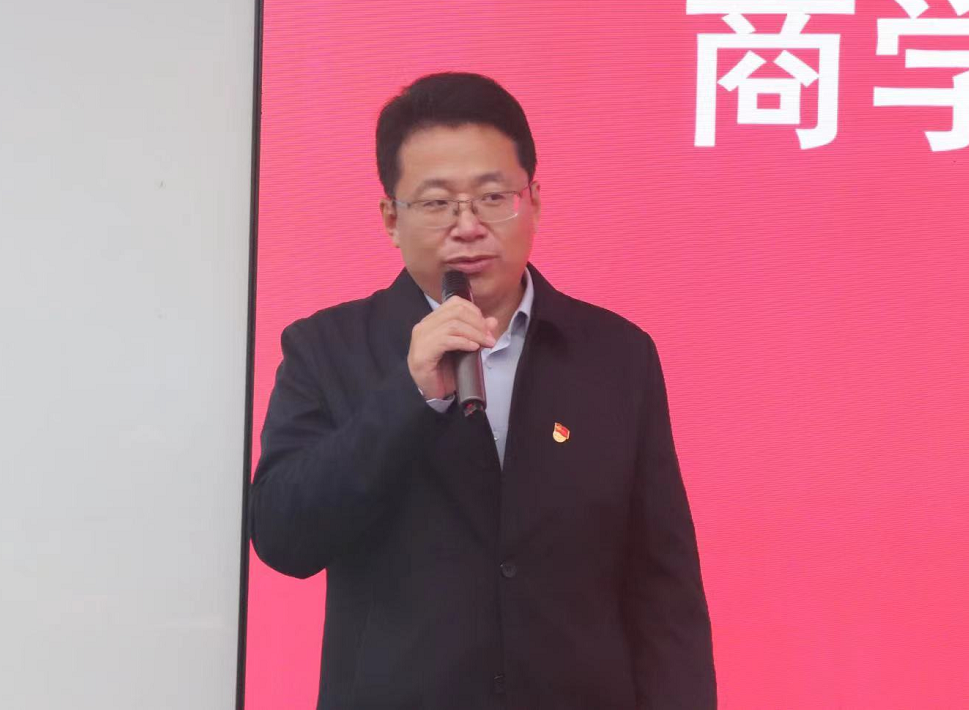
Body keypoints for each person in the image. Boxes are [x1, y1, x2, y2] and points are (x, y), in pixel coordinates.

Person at [250, 72, 715, 708]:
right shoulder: (326, 348)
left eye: (493, 197)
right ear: (391, 219)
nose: (467, 226)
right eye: (437, 203)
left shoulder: (616, 354)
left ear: (534, 202)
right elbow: (285, 538)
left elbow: (664, 585)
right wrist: (408, 396)